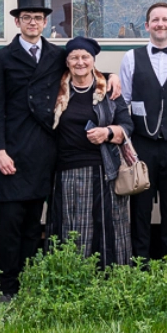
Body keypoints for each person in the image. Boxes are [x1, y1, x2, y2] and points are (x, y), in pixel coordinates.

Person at [0, 0, 64, 298]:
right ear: (17, 22)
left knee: (35, 223)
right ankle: (7, 287)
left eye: (38, 17)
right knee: (11, 224)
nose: (33, 22)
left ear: (45, 23)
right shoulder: (3, 58)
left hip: (46, 150)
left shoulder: (58, 55)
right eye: (27, 17)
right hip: (13, 152)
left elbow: (86, 73)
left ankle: (29, 284)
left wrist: (111, 77)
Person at [46, 37, 136, 266]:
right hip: (66, 171)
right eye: (74, 57)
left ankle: (111, 282)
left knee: (110, 228)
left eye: (85, 57)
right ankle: (73, 280)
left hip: (105, 169)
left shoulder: (108, 90)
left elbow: (127, 125)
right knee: (71, 229)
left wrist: (107, 132)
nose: (80, 62)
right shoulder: (55, 89)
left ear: (93, 60)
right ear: (66, 62)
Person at [115, 2, 167, 260]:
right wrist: (125, 143)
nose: (160, 24)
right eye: (155, 20)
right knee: (140, 211)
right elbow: (122, 102)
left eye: (165, 19)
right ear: (147, 26)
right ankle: (139, 267)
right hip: (141, 145)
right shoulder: (131, 57)